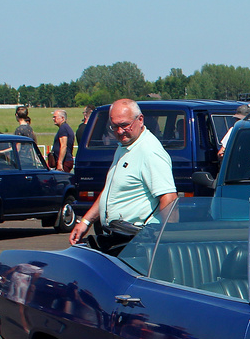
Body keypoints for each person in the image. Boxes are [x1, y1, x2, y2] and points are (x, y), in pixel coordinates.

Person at [68, 99, 177, 246]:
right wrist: (85, 222)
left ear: (140, 119)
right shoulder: (125, 145)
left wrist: (167, 242)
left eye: (124, 125)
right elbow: (111, 190)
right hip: (118, 237)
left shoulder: (150, 152)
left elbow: (169, 199)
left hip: (138, 242)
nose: (119, 131)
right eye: (114, 127)